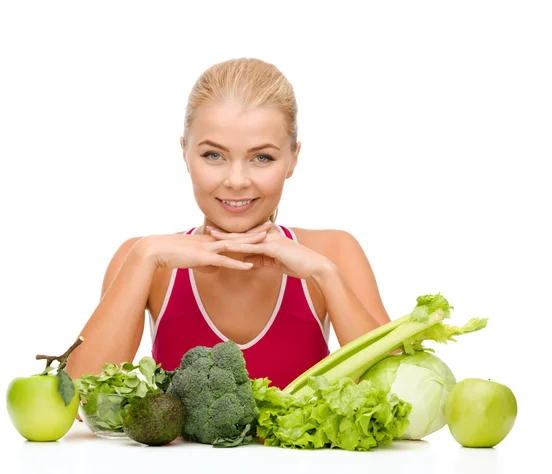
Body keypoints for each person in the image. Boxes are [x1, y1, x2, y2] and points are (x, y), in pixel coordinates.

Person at [66, 57, 391, 392]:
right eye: (213, 155)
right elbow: (80, 394)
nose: (236, 181)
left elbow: (398, 392)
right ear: (185, 153)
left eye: (261, 157)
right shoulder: (145, 259)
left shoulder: (333, 252)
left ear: (293, 159)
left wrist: (326, 275)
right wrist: (143, 256)